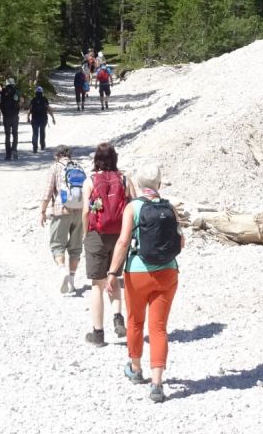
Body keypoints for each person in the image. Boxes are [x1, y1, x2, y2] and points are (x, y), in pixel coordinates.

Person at [108, 163, 182, 403]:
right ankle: (157, 383)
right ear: (159, 184)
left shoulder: (134, 207)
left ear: (139, 185)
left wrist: (112, 272)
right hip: (168, 272)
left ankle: (136, 368)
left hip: (138, 273)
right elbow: (180, 243)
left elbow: (122, 242)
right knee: (159, 327)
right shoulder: (169, 207)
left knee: (135, 321)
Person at [81, 142, 129, 345]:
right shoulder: (125, 179)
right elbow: (132, 205)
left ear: (96, 160)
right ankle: (118, 317)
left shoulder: (90, 180)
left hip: (97, 235)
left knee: (97, 285)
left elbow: (85, 211)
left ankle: (98, 333)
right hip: (120, 236)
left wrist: (85, 233)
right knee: (114, 277)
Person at [39, 145, 86, 293]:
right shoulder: (79, 166)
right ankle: (72, 280)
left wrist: (42, 211)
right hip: (79, 210)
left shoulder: (56, 167)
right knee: (76, 247)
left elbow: (48, 191)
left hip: (61, 210)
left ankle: (62, 271)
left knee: (57, 244)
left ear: (57, 156)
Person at [0, 76, 21, 158]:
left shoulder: (3, 91)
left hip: (6, 115)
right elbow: (21, 101)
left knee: (7, 134)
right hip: (15, 115)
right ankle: (14, 149)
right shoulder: (17, 91)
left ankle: (8, 154)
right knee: (15, 133)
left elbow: (0, 102)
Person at [28, 85, 54, 152]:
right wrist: (53, 118)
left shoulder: (33, 100)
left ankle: (35, 147)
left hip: (34, 118)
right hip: (43, 118)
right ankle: (42, 145)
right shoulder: (44, 99)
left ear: (35, 92)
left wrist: (28, 117)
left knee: (35, 133)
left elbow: (30, 109)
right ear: (42, 92)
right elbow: (49, 109)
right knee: (42, 131)